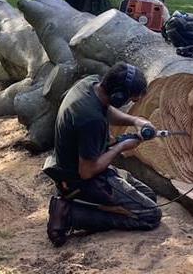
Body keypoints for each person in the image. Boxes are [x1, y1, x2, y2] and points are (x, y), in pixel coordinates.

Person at [45, 62, 162, 247]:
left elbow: (106, 109)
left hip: (84, 164)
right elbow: (87, 171)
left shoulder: (90, 84)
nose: (130, 102)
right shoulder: (91, 120)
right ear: (118, 96)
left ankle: (88, 207)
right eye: (129, 99)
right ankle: (71, 214)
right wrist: (121, 147)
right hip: (80, 179)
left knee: (149, 196)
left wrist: (135, 120)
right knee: (151, 214)